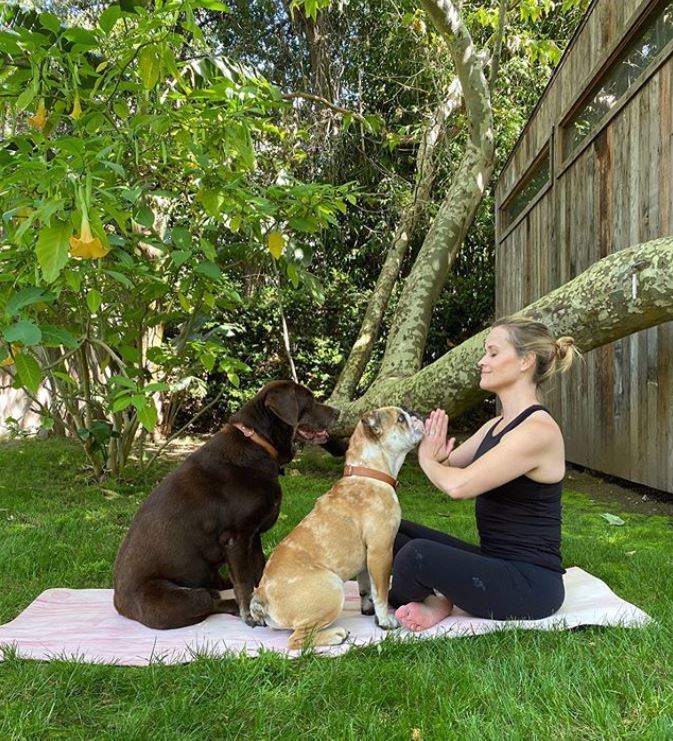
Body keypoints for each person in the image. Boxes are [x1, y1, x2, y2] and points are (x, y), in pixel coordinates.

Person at [390, 317, 581, 631]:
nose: (482, 361)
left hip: (531, 585)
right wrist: (436, 455)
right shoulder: (496, 425)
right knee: (393, 530)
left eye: (492, 353)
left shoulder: (537, 431)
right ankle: (439, 596)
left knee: (415, 555)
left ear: (525, 361)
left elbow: (458, 487)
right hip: (495, 563)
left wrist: (427, 459)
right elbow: (450, 466)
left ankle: (431, 600)